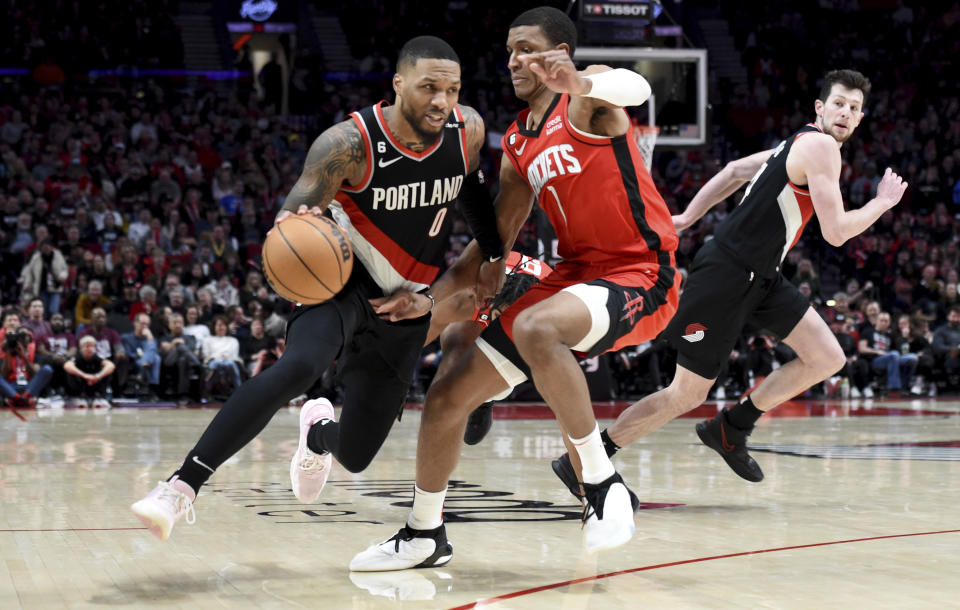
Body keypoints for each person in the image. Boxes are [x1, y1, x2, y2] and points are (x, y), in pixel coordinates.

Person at [131, 35, 501, 541]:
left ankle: (317, 434)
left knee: (355, 455)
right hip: (341, 281)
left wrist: (495, 255)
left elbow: (475, 193)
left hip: (407, 301)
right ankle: (179, 487)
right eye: (428, 87)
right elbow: (295, 210)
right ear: (397, 85)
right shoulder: (347, 144)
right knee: (300, 366)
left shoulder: (468, 130)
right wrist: (293, 223)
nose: (441, 100)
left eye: (452, 89)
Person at [349, 6, 678, 569]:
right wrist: (423, 306)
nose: (513, 61)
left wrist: (579, 81)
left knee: (535, 324)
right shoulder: (521, 145)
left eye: (527, 48)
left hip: (642, 274)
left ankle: (601, 485)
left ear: (561, 55)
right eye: (509, 51)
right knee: (448, 392)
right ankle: (425, 531)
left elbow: (637, 86)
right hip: (574, 275)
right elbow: (490, 248)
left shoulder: (589, 99)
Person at [551, 69, 909, 496]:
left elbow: (736, 169)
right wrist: (882, 203)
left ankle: (732, 427)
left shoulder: (792, 143)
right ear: (820, 107)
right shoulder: (821, 146)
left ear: (861, 116)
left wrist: (688, 217)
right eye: (838, 103)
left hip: (762, 277)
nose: (845, 113)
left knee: (826, 357)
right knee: (685, 394)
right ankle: (585, 462)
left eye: (854, 108)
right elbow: (836, 232)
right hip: (728, 273)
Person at [63, 335, 115, 408]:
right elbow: (67, 365)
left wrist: (98, 376)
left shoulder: (96, 357)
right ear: (81, 347)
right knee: (70, 371)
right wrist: (84, 375)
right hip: (80, 387)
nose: (90, 349)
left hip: (93, 384)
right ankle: (77, 397)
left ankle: (99, 397)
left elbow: (110, 365)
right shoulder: (77, 357)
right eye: (87, 346)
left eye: (92, 346)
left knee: (106, 370)